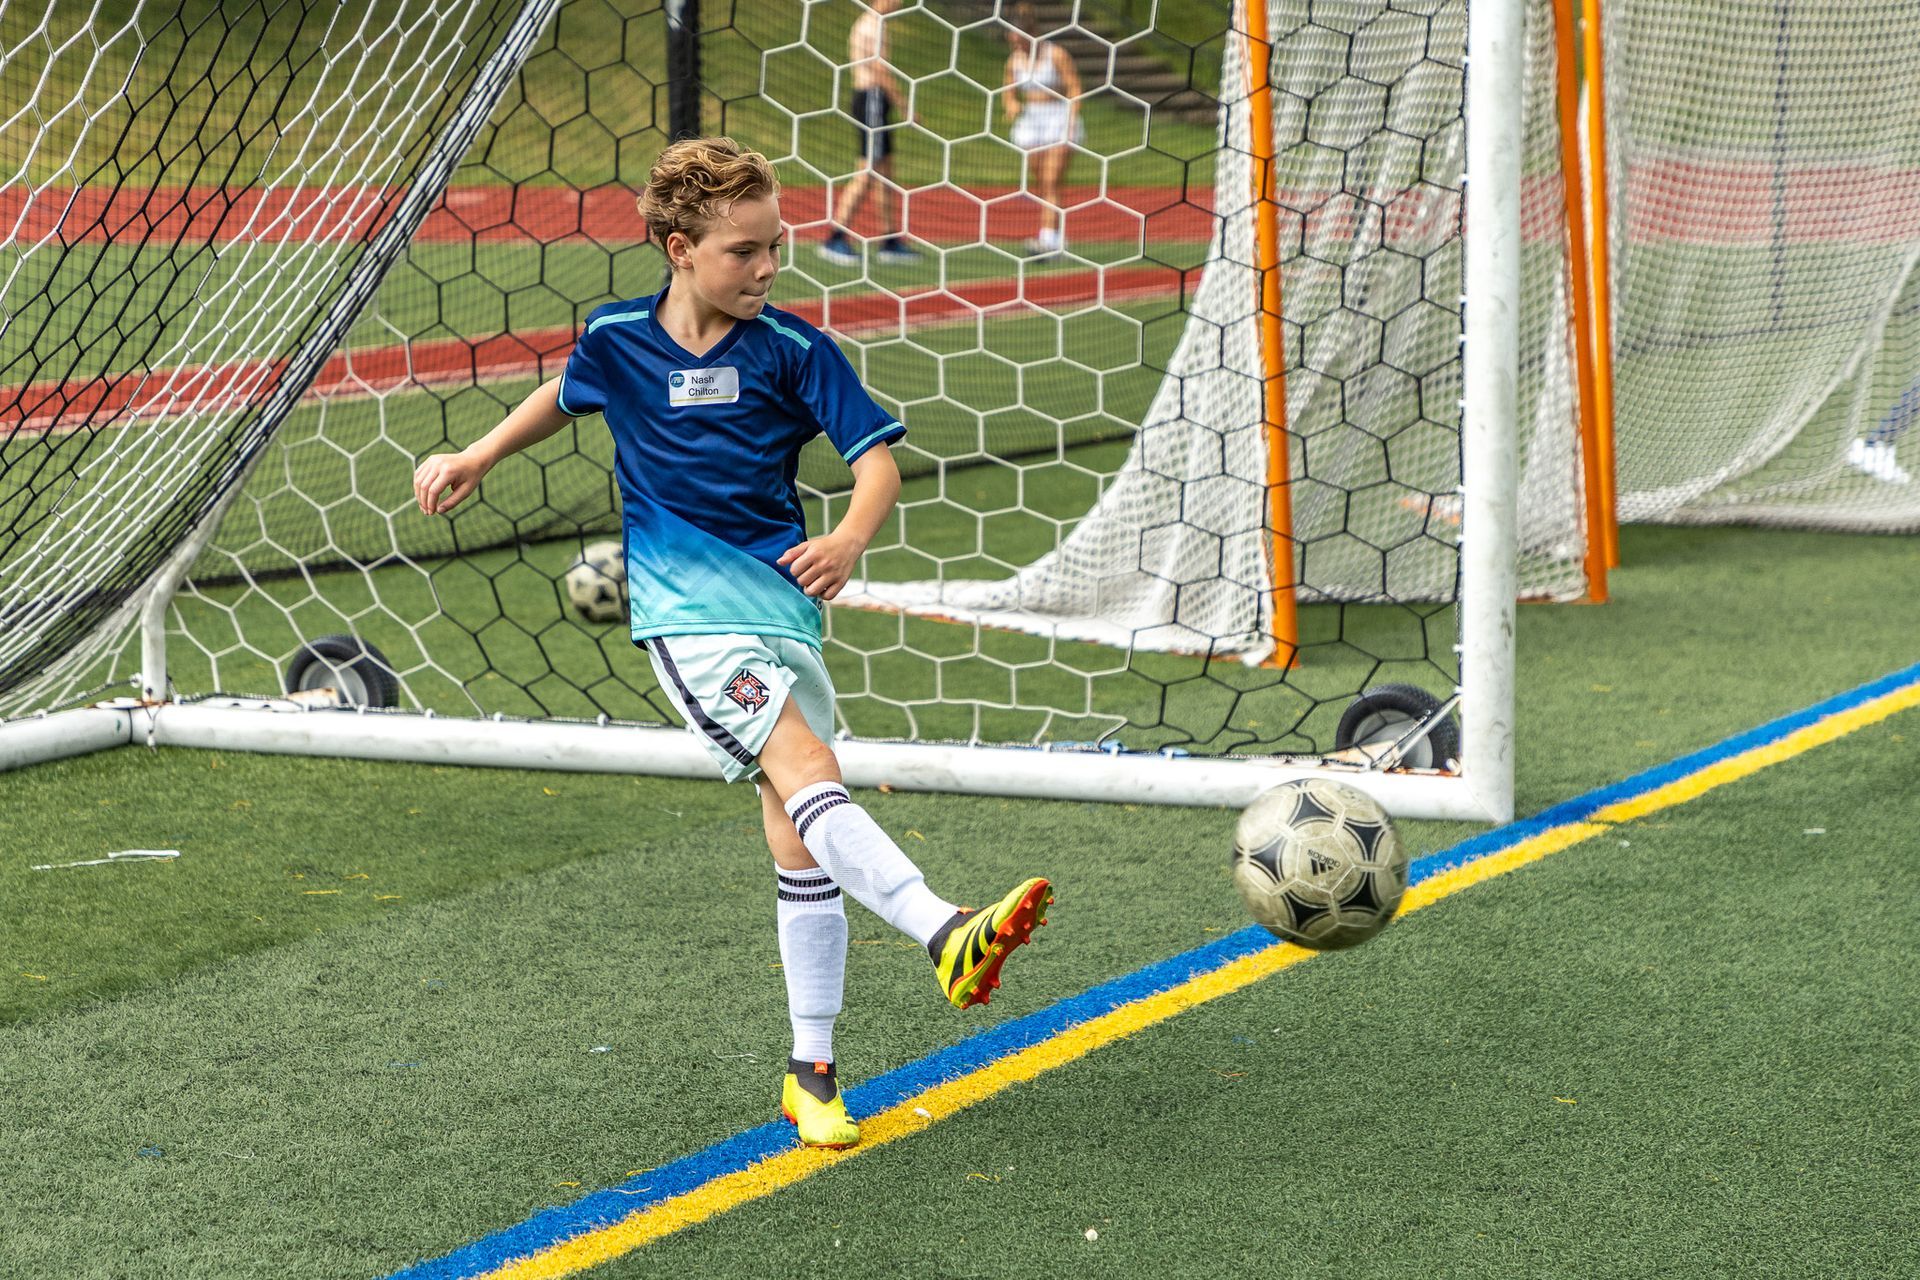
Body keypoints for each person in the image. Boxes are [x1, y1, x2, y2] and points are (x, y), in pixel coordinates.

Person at [412, 137, 1051, 1152]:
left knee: (803, 834)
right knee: (805, 773)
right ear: (679, 247)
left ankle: (812, 1071)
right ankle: (944, 928)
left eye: (775, 248)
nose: (765, 268)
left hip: (786, 612)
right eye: (744, 250)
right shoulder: (619, 339)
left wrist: (847, 537)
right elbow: (566, 392)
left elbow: (877, 461)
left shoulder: (793, 349)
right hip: (688, 620)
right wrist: (479, 452)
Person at [819, 0, 919, 266]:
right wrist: (905, 105)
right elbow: (880, 70)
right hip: (872, 99)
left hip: (875, 101)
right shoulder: (871, 24)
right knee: (868, 171)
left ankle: (889, 240)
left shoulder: (876, 24)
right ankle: (835, 237)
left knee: (885, 172)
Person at [1000, 1, 1083, 260]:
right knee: (1041, 182)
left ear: (1031, 34)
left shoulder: (1054, 54)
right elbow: (1008, 90)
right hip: (1032, 121)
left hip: (1058, 117)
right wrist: (1012, 104)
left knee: (1051, 180)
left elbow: (1074, 87)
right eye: (1013, 42)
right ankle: (1056, 238)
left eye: (1020, 41)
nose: (1017, 46)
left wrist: (1072, 117)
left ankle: (1048, 239)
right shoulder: (1014, 60)